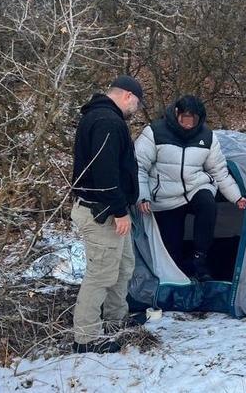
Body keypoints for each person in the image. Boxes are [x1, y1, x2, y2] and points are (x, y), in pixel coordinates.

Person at [135, 95, 246, 281]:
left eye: (193, 120)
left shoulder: (207, 136)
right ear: (176, 114)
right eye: (184, 119)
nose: (188, 124)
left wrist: (236, 197)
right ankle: (180, 271)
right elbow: (139, 166)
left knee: (207, 202)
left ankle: (200, 257)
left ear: (200, 119)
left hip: (195, 188)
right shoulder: (154, 133)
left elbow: (219, 171)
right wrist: (143, 196)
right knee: (172, 249)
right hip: (165, 195)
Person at [70, 75, 144, 354]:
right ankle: (86, 339)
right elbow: (104, 173)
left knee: (123, 266)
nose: (135, 109)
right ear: (127, 96)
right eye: (136, 103)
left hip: (112, 211)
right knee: (100, 275)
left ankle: (115, 320)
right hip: (102, 213)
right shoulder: (107, 122)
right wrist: (119, 210)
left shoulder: (103, 117)